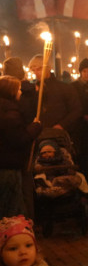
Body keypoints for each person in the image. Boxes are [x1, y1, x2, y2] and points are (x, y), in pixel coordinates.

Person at [0, 76, 42, 217]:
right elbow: (19, 138)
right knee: (12, 209)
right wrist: (35, 128)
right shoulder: (10, 113)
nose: (20, 92)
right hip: (9, 165)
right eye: (17, 89)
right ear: (10, 91)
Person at [27, 54, 82, 134]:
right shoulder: (33, 89)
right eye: (33, 70)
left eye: (39, 69)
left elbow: (76, 110)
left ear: (48, 68)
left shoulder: (64, 88)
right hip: (40, 133)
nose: (36, 73)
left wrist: (62, 125)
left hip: (60, 133)